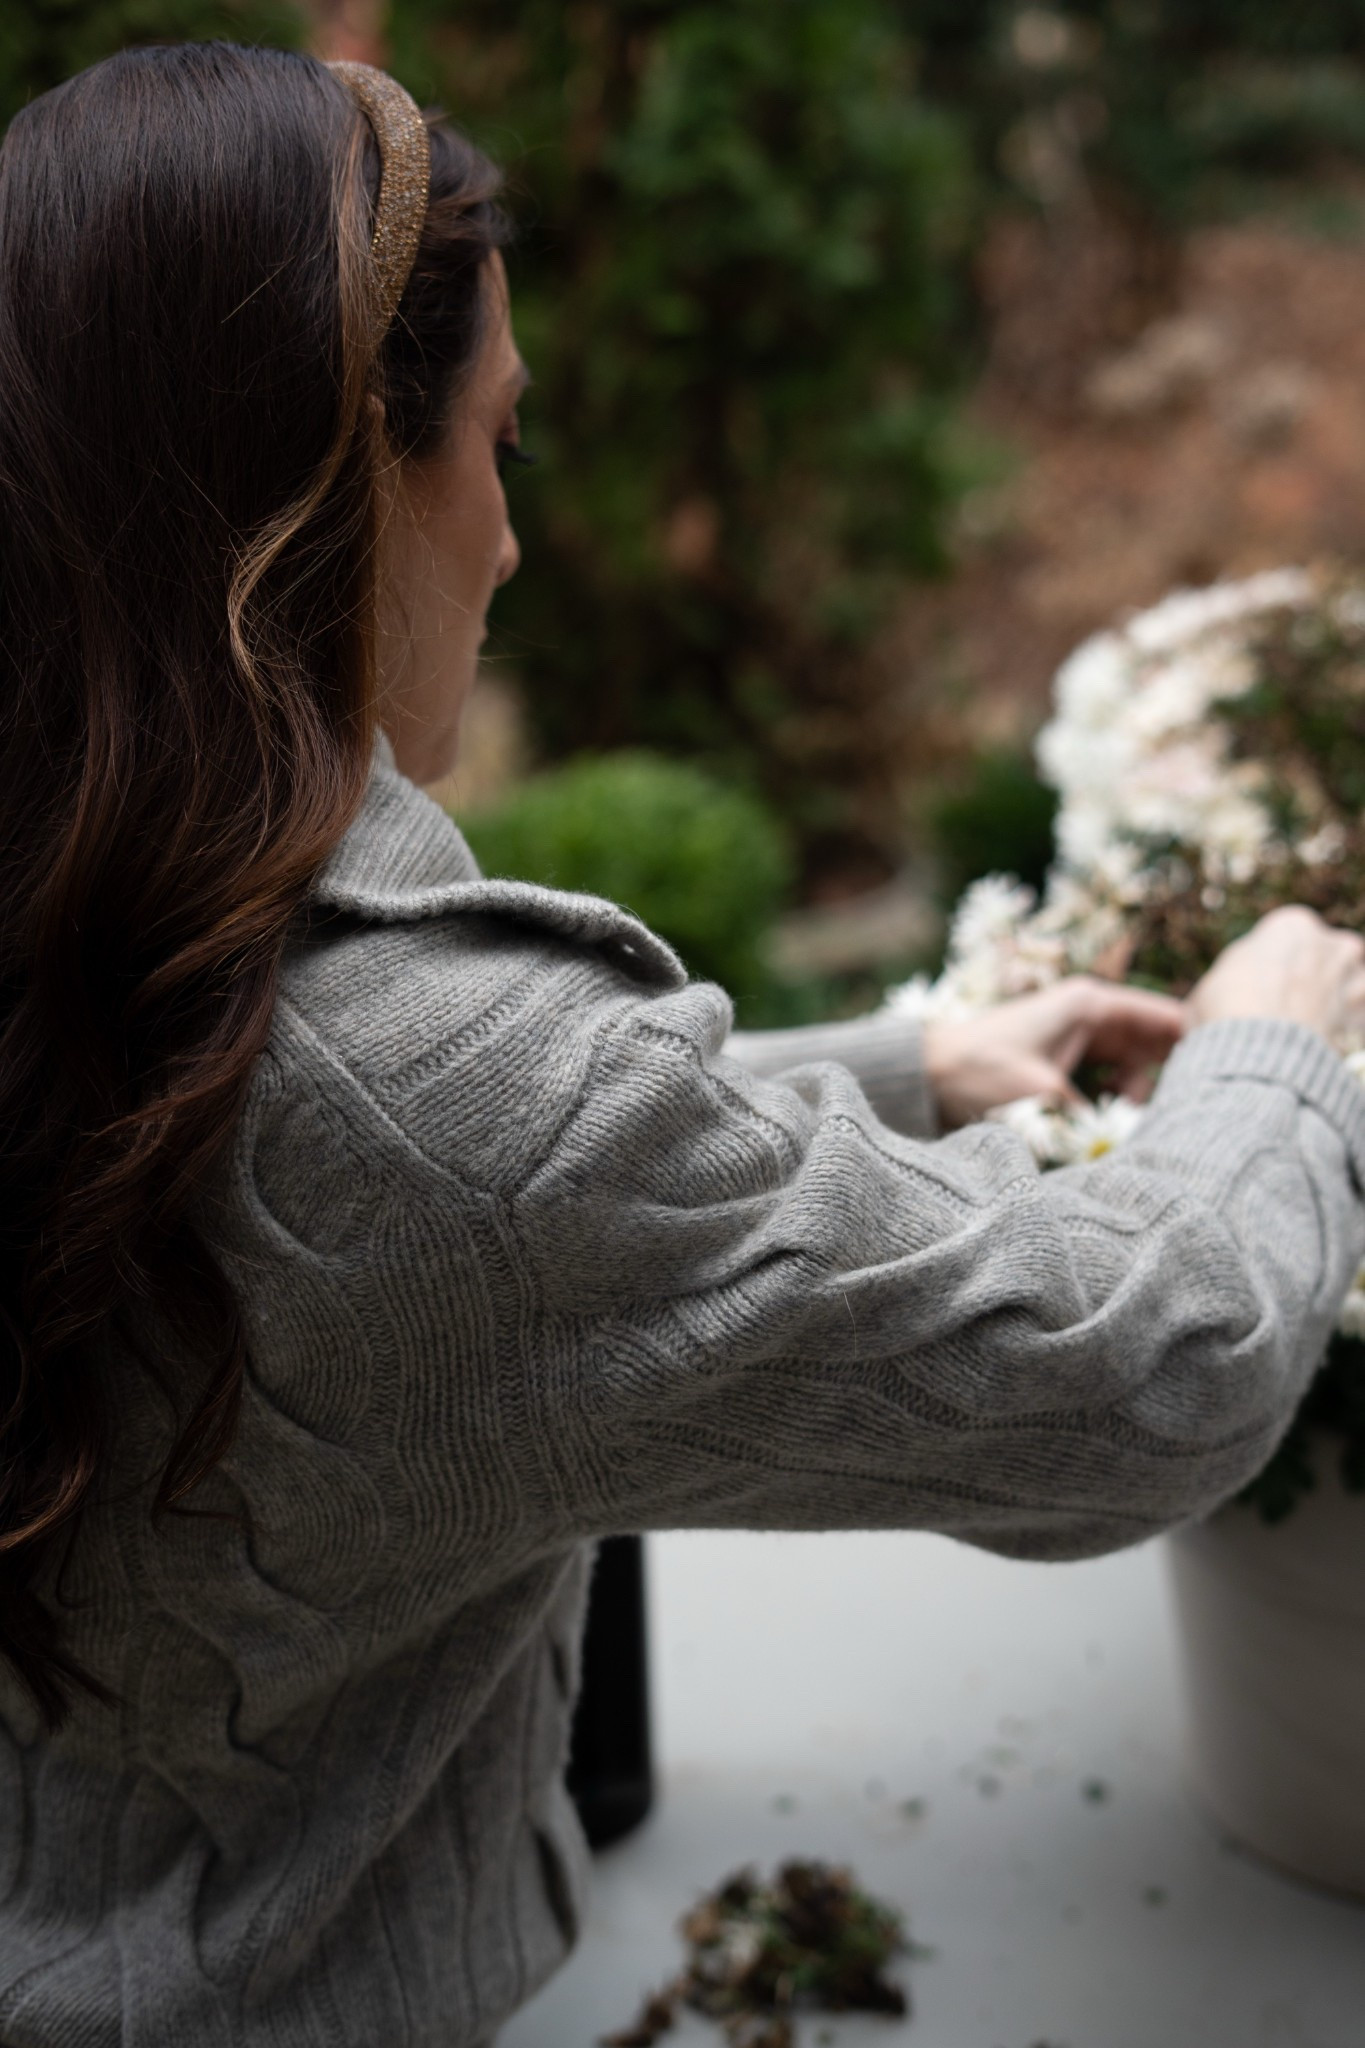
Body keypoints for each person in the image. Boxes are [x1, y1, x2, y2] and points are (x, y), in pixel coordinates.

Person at [0, 41, 1363, 2048]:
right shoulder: (453, 1101)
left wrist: (902, 1067)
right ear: (344, 487)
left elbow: (353, 1190)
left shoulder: (82, 879)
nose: (512, 540)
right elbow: (1151, 1374)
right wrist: (1271, 1052)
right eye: (498, 443)